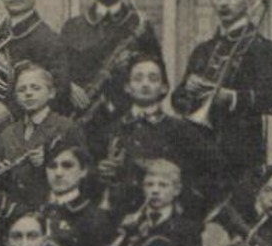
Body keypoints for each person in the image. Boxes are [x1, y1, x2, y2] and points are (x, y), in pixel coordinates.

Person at [171, 0, 272, 193]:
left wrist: (232, 98)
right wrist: (188, 89)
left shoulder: (263, 48)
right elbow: (178, 102)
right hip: (200, 157)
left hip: (241, 159)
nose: (224, 2)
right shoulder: (203, 51)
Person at [95, 53, 222, 215]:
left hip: (168, 219)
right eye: (138, 78)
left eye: (153, 79)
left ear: (164, 87)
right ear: (127, 87)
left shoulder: (182, 130)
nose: (145, 84)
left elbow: (212, 173)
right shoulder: (111, 129)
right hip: (120, 215)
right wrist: (100, 171)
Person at [59, 0, 164, 122]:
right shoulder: (72, 27)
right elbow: (57, 73)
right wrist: (68, 86)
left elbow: (160, 81)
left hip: (127, 122)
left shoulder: (141, 26)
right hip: (81, 122)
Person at [0, 62, 84, 209]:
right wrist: (1, 173)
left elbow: (84, 175)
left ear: (51, 93)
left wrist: (48, 161)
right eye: (21, 90)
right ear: (15, 97)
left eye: (35, 88)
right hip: (15, 214)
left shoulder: (66, 127)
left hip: (53, 210)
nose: (28, 93)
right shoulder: (7, 134)